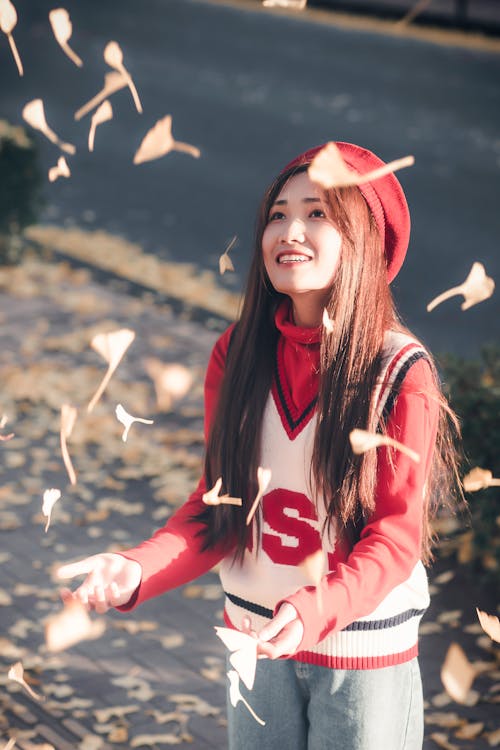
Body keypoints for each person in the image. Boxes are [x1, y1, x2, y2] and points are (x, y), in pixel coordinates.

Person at [58, 142, 461, 750]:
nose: (290, 229)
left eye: (318, 213)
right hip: (255, 644)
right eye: (277, 213)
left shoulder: (400, 371)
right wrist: (134, 567)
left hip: (362, 656)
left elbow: (395, 540)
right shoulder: (237, 352)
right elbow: (219, 508)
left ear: (367, 240)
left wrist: (311, 611)